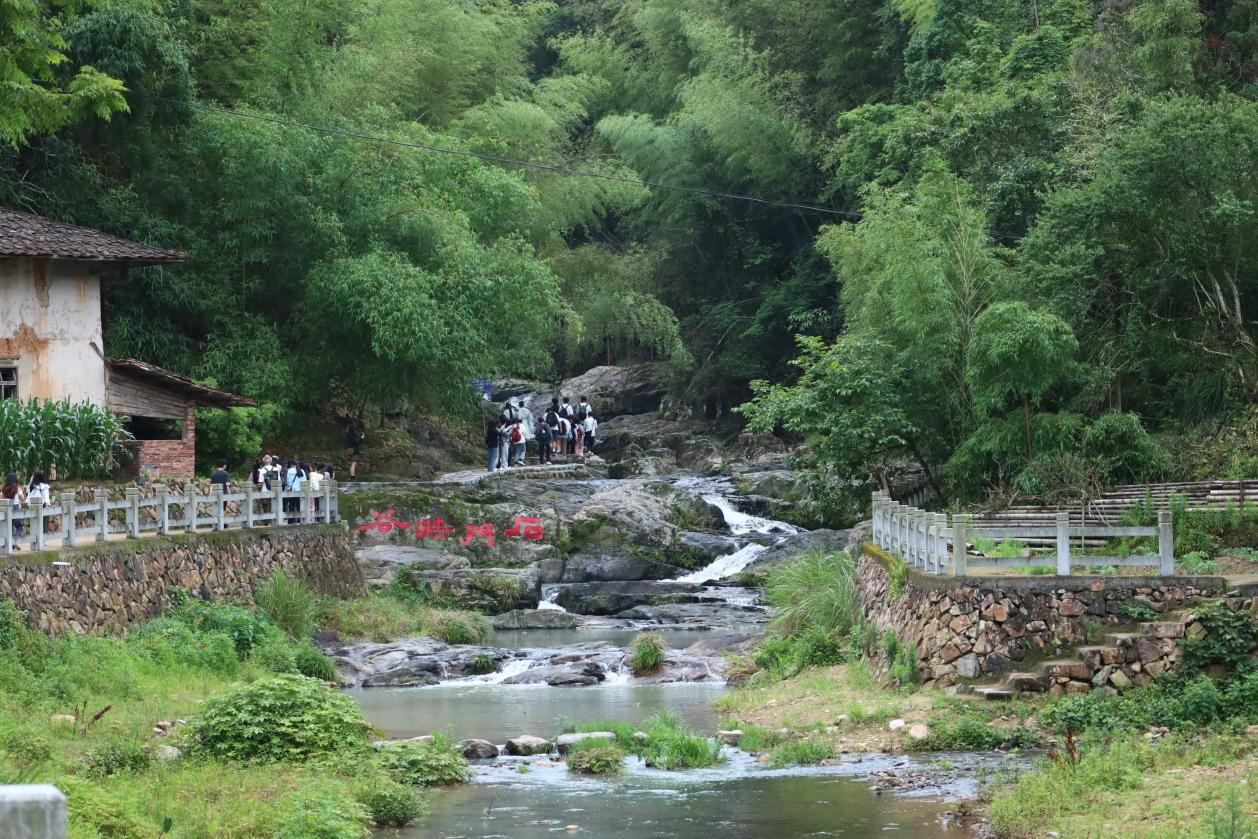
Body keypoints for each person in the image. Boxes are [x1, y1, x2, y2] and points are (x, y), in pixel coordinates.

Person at [3, 473, 24, 549]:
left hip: (6, 507)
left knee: (9, 526)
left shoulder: (4, 488)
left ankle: (11, 543)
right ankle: (16, 541)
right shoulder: (17, 488)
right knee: (19, 525)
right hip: (15, 506)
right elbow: (22, 498)